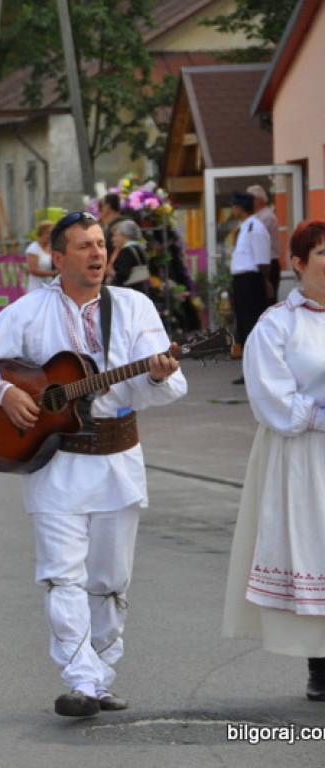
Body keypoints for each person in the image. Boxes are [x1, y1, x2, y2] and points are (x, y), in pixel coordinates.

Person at [0, 211, 186, 717]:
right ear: (57, 258)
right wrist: (4, 390)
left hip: (117, 459)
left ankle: (102, 673)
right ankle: (80, 681)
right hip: (56, 465)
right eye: (83, 246)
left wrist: (156, 375)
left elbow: (168, 388)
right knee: (62, 576)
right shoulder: (29, 311)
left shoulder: (133, 306)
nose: (97, 254)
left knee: (109, 580)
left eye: (101, 244)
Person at [223, 219, 325, 702]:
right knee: (315, 548)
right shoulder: (278, 324)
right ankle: (321, 664)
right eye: (323, 253)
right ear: (299, 264)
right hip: (304, 453)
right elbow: (272, 400)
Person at [230, 191, 274, 385]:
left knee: (253, 325)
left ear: (239, 207)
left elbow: (263, 261)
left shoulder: (256, 227)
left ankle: (258, 372)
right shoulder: (245, 227)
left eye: (234, 206)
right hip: (241, 280)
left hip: (252, 280)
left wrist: (266, 282)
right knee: (244, 326)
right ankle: (249, 371)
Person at [248, 184, 281, 299]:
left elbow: (255, 239)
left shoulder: (266, 217)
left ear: (258, 200)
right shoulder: (255, 217)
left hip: (268, 264)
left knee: (266, 300)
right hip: (261, 264)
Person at [107, 218, 151, 296]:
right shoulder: (139, 248)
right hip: (141, 290)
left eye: (115, 235)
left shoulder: (126, 252)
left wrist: (112, 273)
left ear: (125, 236)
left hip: (129, 293)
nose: (112, 239)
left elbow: (123, 275)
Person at [25, 220, 58, 293]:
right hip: (36, 288)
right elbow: (33, 270)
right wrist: (54, 273)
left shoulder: (53, 247)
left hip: (50, 287)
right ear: (41, 233)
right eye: (47, 233)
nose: (50, 236)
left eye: (52, 233)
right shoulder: (33, 248)